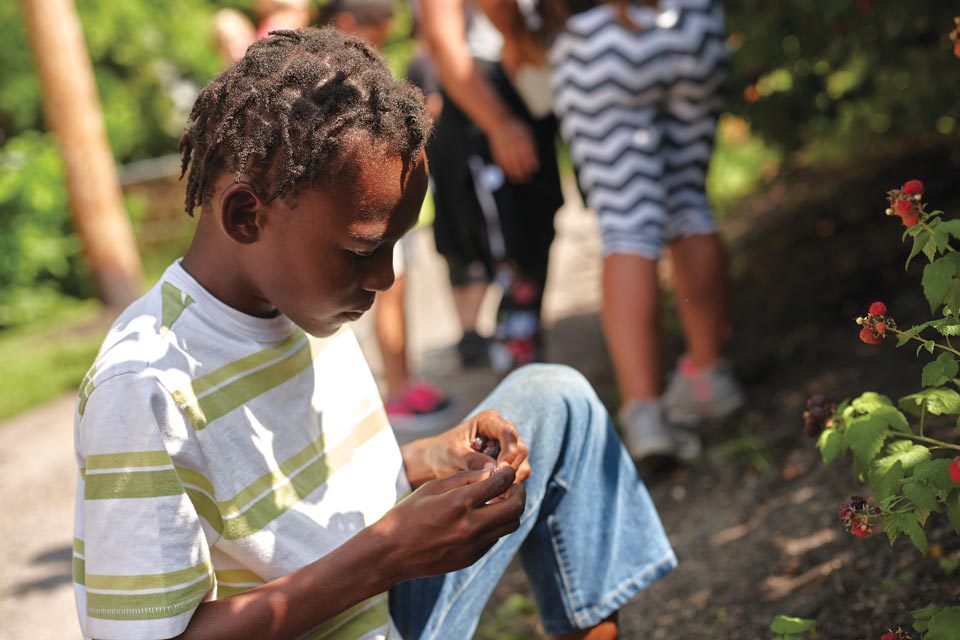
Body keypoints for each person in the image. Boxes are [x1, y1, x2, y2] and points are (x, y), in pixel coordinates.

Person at [71, 28, 676, 640]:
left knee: (555, 397)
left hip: (384, 606)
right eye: (363, 251)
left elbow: (303, 506)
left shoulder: (301, 300)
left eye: (394, 247)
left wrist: (428, 459)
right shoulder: (144, 386)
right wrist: (388, 553)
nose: (384, 277)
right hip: (359, 597)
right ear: (247, 216)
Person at [480, 0, 745, 464]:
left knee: (627, 225)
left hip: (597, 41)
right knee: (689, 203)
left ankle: (644, 413)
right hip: (691, 22)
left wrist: (519, 37)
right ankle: (708, 375)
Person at [321, 0, 455, 434]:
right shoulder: (331, 78)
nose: (379, 44)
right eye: (377, 32)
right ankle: (396, 390)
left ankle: (404, 380)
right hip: (370, 215)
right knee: (387, 293)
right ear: (347, 24)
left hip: (396, 213)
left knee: (397, 292)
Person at [416, 0, 565, 374]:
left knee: (532, 223)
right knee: (503, 230)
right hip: (483, 97)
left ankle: (520, 343)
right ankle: (515, 350)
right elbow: (443, 38)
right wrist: (498, 122)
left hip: (526, 81)